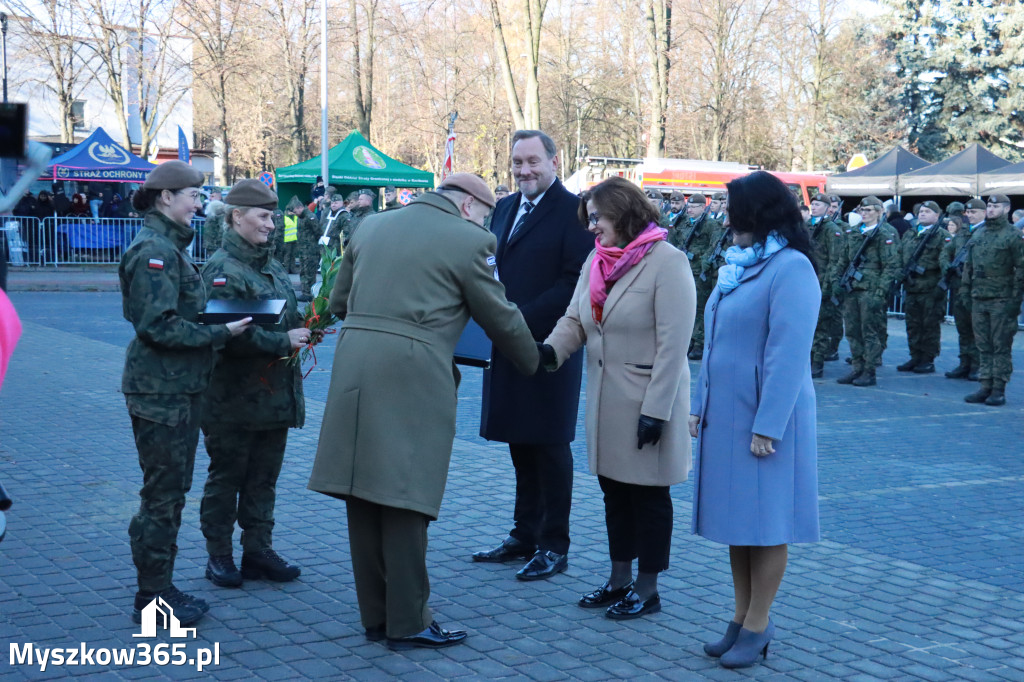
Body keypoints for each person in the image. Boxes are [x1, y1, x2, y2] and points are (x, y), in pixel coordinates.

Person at [307, 173, 539, 650]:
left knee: (363, 491)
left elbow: (339, 301)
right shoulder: (472, 240)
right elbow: (499, 313)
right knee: (406, 495)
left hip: (355, 364)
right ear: (472, 206)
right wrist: (536, 359)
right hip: (413, 373)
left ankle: (376, 615)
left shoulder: (371, 225)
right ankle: (409, 619)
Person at [540, 177, 695, 619]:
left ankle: (648, 590)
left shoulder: (669, 262)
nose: (591, 227)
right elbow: (574, 318)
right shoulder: (597, 259)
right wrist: (547, 353)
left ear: (623, 212)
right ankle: (618, 579)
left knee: (648, 498)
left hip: (648, 402)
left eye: (596, 218)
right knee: (614, 495)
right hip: (607, 403)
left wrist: (657, 411)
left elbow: (674, 345)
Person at [688, 171, 820, 669]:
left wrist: (769, 425)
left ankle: (760, 623)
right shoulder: (742, 265)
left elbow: (788, 353)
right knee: (739, 522)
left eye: (734, 211)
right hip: (729, 414)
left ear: (759, 214)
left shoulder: (791, 268)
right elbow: (717, 341)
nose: (727, 219)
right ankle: (741, 618)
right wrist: (700, 404)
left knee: (767, 524)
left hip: (767, 421)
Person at [119, 160, 251, 626]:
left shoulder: (168, 247)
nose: (200, 203)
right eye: (192, 195)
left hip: (177, 387)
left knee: (170, 491)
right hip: (161, 391)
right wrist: (220, 333)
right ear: (165, 198)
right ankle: (152, 597)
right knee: (163, 494)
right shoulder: (154, 251)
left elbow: (176, 314)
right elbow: (157, 326)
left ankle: (158, 587)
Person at [474, 130, 593, 580]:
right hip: (506, 343)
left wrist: (516, 318)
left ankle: (554, 544)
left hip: (550, 347)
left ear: (554, 162)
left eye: (532, 162)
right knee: (519, 442)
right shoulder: (503, 208)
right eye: (517, 162)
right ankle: (523, 534)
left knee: (549, 444)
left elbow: (572, 282)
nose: (524, 170)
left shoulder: (574, 212)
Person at [199, 179, 307, 588]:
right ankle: (219, 555)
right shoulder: (222, 270)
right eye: (263, 217)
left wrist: (310, 323)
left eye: (273, 217)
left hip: (272, 397)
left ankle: (258, 550)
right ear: (236, 216)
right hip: (232, 401)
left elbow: (282, 316)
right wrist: (284, 340)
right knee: (227, 478)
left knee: (263, 478)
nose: (271, 225)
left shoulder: (270, 265)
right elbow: (231, 334)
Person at [961, 194, 1024, 406]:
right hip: (979, 297)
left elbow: (1021, 269)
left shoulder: (1013, 236)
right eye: (989, 205)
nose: (990, 209)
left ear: (1006, 209)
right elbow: (968, 266)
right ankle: (985, 385)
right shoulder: (979, 234)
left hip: (1001, 298)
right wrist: (965, 290)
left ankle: (999, 388)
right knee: (983, 345)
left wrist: (1015, 300)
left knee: (1000, 346)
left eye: (995, 206)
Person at [835, 196, 900, 387]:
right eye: (861, 210)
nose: (864, 214)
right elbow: (843, 259)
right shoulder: (854, 232)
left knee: (869, 332)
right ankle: (857, 367)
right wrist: (837, 281)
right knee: (853, 331)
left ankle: (869, 370)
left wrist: (881, 291)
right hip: (852, 289)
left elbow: (891, 266)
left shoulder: (885, 233)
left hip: (871, 290)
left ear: (880, 212)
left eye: (869, 210)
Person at [895, 201, 952, 374]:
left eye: (927, 211)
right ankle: (915, 356)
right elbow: (899, 254)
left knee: (929, 325)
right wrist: (899, 272)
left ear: (937, 215)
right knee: (912, 325)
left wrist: (941, 286)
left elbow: (945, 261)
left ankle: (928, 359)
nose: (922, 214)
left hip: (930, 288)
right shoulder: (911, 233)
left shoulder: (942, 235)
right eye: (921, 211)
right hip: (912, 287)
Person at [942, 198, 986, 380]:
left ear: (984, 212)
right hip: (960, 288)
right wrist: (947, 266)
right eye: (968, 212)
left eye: (974, 212)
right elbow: (946, 250)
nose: (970, 215)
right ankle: (965, 363)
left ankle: (977, 365)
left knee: (977, 329)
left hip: (977, 289)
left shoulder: (986, 232)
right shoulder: (963, 233)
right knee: (963, 328)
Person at [807, 194, 845, 378]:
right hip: (805, 280)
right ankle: (807, 359)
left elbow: (835, 259)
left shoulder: (831, 229)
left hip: (822, 283)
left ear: (828, 208)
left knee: (820, 326)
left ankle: (817, 362)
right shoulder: (807, 227)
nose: (814, 207)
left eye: (818, 204)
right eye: (812, 204)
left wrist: (828, 284)